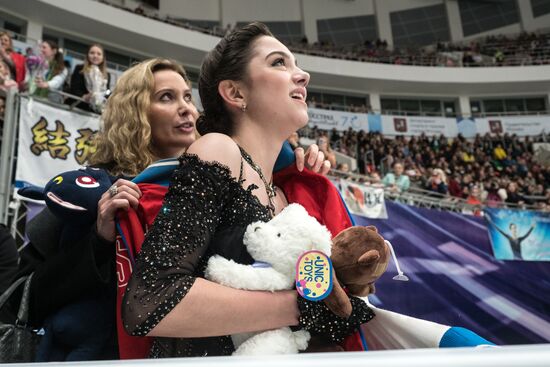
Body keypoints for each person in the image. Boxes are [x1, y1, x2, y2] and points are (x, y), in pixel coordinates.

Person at [16, 57, 329, 361]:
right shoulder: (93, 191)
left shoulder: (224, 180)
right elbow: (24, 296)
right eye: (166, 97)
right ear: (134, 113)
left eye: (188, 97)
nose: (186, 109)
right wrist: (99, 240)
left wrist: (293, 172)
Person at [122, 22, 373, 358]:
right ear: (236, 93)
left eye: (296, 64)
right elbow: (150, 300)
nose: (303, 76)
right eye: (279, 63)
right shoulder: (218, 151)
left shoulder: (292, 192)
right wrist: (304, 305)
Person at [66, 44, 111, 112]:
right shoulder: (79, 68)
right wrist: (84, 96)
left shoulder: (107, 75)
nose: (95, 56)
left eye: (99, 54)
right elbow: (74, 89)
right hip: (77, 107)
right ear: (87, 55)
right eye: (92, 53)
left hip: (96, 111)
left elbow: (106, 93)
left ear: (103, 58)